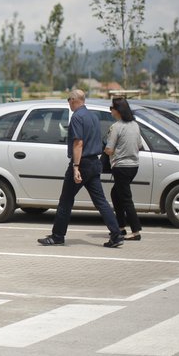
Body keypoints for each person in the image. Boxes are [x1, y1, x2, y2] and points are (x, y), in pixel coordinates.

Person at [38, 89, 125, 248]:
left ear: (73, 100)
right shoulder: (93, 116)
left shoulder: (77, 117)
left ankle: (57, 236)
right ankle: (116, 234)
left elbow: (78, 143)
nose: (68, 102)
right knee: (101, 202)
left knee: (65, 200)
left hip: (82, 163)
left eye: (68, 99)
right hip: (94, 163)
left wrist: (76, 167)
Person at [104, 97, 142, 241]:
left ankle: (135, 231)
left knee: (126, 199)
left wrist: (104, 150)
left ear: (118, 110)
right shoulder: (135, 125)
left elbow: (109, 149)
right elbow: (139, 145)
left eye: (111, 108)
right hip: (134, 166)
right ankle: (120, 227)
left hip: (121, 167)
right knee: (116, 194)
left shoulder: (116, 127)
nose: (111, 111)